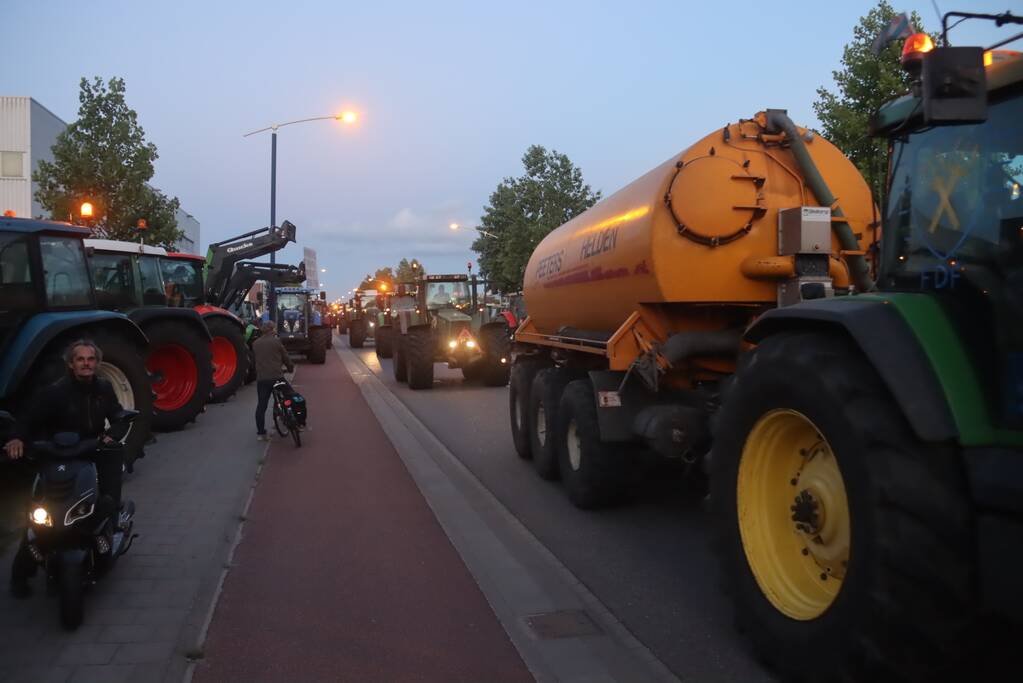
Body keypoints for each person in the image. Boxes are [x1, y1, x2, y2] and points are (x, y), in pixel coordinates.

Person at [4, 339, 126, 598]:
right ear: (71, 364)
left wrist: (113, 433)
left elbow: (117, 415)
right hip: (59, 452)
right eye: (80, 359)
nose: (86, 364)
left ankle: (108, 535)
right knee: (39, 515)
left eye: (91, 359)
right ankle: (20, 575)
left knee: (106, 498)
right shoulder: (54, 392)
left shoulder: (103, 387)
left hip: (92, 449)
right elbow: (27, 418)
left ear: (97, 363)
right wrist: (16, 438)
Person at [253, 320, 295, 441]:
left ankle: (261, 433)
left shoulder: (255, 343)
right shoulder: (276, 342)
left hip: (262, 380)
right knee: (291, 395)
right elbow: (286, 358)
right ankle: (295, 419)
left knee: (261, 405)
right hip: (277, 378)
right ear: (272, 330)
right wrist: (290, 368)